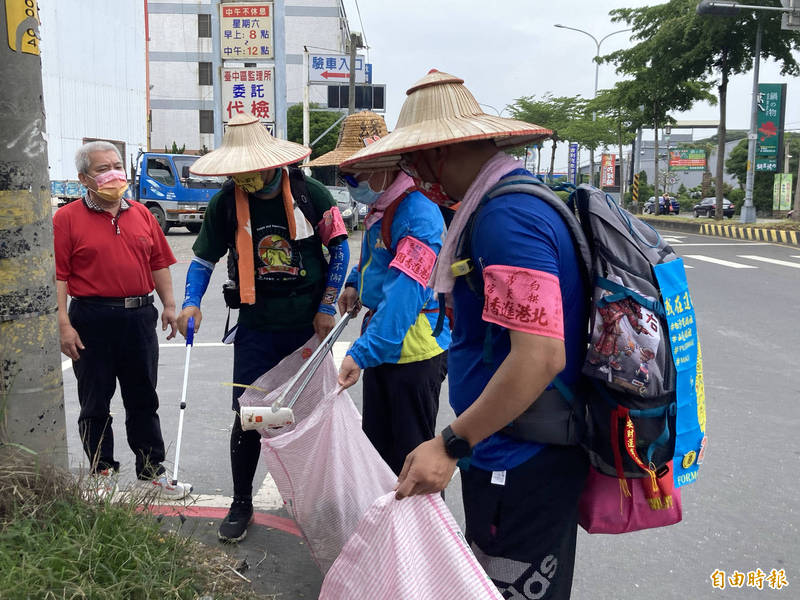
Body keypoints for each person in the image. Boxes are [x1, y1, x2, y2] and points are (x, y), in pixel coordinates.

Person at [341, 70, 589, 599]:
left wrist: (452, 443)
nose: (413, 174)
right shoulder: (504, 204)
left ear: (440, 153)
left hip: (520, 458)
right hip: (512, 448)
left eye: (413, 161)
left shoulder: (507, 218)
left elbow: (540, 355)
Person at [176, 113, 350, 543]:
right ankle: (241, 501)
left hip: (308, 324)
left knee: (311, 415)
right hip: (257, 324)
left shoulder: (311, 193)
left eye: (250, 171)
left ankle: (320, 501)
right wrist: (190, 302)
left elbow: (341, 250)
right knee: (249, 416)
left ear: (271, 163)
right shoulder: (225, 202)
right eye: (238, 172)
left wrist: (327, 305)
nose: (245, 179)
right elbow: (202, 260)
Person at [306, 111, 450, 475]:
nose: (350, 182)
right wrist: (355, 281)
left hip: (413, 350)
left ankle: (418, 532)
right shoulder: (383, 206)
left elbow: (405, 295)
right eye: (345, 175)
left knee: (411, 459)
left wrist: (360, 353)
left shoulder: (417, 215)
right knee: (380, 454)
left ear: (383, 165)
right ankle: (386, 529)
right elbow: (379, 261)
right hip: (386, 346)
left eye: (353, 174)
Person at [54, 140, 191, 500]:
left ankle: (152, 471)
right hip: (91, 318)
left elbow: (158, 262)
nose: (114, 173)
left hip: (138, 317)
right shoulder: (66, 219)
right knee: (95, 400)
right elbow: (59, 277)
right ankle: (102, 471)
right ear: (84, 178)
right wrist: (63, 325)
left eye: (116, 165)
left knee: (143, 397)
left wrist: (169, 305)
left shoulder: (141, 213)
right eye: (103, 169)